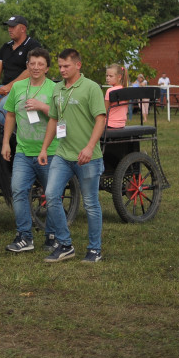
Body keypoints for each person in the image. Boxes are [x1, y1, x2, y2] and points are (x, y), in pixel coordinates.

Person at [38, 48, 107, 263]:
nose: (62, 70)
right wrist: (44, 148)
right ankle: (65, 244)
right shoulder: (58, 88)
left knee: (91, 203)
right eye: (59, 66)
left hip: (88, 157)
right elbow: (53, 119)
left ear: (78, 65)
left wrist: (89, 147)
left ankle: (94, 250)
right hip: (62, 154)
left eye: (66, 66)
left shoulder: (91, 87)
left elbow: (101, 120)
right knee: (51, 195)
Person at [1, 47, 57, 254]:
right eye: (32, 63)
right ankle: (24, 236)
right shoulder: (18, 87)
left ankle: (52, 235)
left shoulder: (54, 88)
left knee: (52, 195)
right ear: (27, 66)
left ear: (47, 68)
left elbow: (60, 115)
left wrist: (42, 106)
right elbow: (10, 116)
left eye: (40, 64)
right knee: (18, 191)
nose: (35, 67)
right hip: (23, 151)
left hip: (49, 151)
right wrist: (6, 142)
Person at [0, 15, 42, 123]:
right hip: (4, 88)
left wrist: (9, 87)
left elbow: (30, 70)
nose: (9, 29)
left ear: (23, 29)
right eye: (8, 27)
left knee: (5, 105)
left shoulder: (33, 46)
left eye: (13, 27)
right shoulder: (5, 47)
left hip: (26, 89)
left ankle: (3, 136)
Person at [104, 64, 127, 129]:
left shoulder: (110, 91)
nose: (107, 78)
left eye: (111, 76)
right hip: (122, 124)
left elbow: (104, 112)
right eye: (107, 76)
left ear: (119, 77)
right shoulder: (125, 90)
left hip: (109, 124)